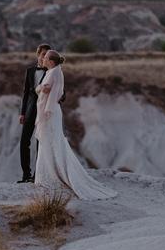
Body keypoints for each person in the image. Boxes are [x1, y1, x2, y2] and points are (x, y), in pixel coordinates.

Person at [33, 50, 117, 200]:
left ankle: (54, 175)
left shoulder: (53, 73)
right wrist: (41, 90)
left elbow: (46, 91)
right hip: (51, 111)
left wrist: (42, 97)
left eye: (45, 57)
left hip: (49, 112)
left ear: (51, 61)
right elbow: (43, 90)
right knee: (51, 142)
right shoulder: (54, 71)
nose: (42, 59)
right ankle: (53, 172)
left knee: (51, 141)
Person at [18, 44, 52, 183]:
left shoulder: (52, 71)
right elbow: (26, 93)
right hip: (30, 110)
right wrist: (22, 112)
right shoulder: (30, 71)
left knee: (40, 143)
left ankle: (37, 176)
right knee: (24, 142)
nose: (45, 57)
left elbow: (62, 94)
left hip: (44, 112)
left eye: (47, 54)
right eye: (43, 54)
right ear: (38, 55)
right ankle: (26, 175)